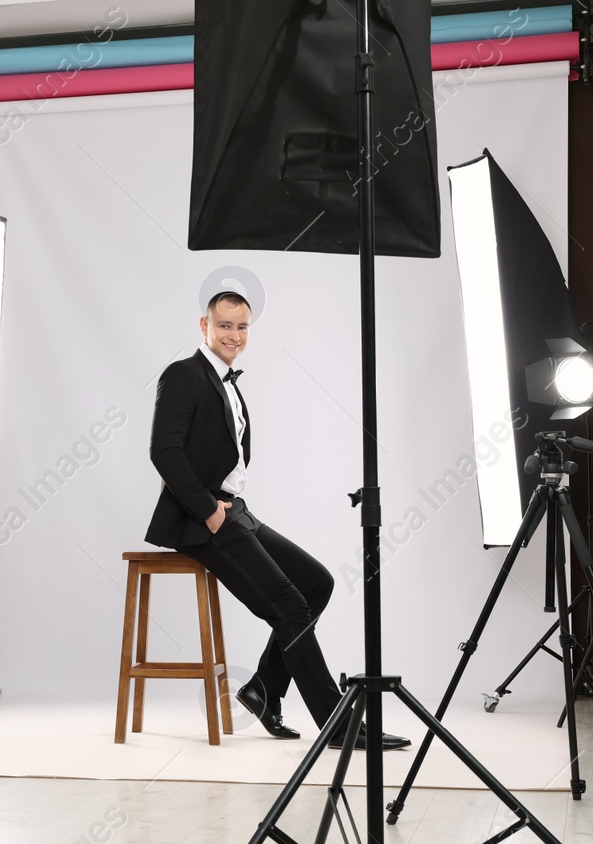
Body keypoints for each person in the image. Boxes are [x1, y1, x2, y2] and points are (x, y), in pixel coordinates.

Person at [146, 290, 410, 749]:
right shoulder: (183, 375)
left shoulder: (228, 381)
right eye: (224, 325)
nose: (234, 335)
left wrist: (225, 508)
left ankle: (264, 689)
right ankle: (339, 724)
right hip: (201, 518)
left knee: (317, 584)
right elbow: (164, 452)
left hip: (236, 511)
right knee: (289, 605)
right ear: (203, 326)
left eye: (242, 326)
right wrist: (208, 512)